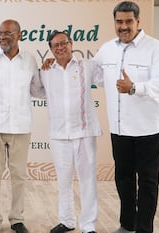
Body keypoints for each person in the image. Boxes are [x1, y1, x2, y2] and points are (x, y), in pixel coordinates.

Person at [92, 1, 159, 233]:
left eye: (128, 21)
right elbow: (90, 73)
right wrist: (59, 63)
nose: (123, 26)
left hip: (149, 130)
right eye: (119, 21)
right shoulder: (107, 49)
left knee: (147, 182)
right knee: (124, 180)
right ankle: (127, 225)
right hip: (120, 129)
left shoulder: (155, 48)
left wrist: (134, 88)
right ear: (114, 22)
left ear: (138, 21)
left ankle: (144, 228)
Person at [0, 19, 41, 233]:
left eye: (8, 33)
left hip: (21, 126)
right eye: (0, 33)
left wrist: (52, 71)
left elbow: (37, 89)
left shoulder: (30, 60)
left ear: (19, 35)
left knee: (19, 175)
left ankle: (16, 218)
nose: (3, 37)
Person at [39, 31, 102, 233]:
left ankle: (88, 225)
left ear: (71, 44)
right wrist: (44, 64)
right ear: (51, 49)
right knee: (63, 180)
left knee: (87, 180)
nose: (60, 48)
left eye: (64, 43)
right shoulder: (45, 71)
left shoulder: (88, 66)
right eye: (55, 45)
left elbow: (105, 78)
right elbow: (35, 90)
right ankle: (66, 221)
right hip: (59, 135)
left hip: (85, 132)